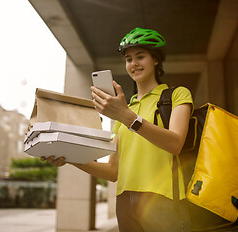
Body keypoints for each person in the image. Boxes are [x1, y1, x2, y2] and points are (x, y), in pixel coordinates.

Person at [42, 27, 193, 232]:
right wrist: (69, 157)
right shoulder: (123, 111)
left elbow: (175, 143)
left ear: (156, 60)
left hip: (163, 200)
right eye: (129, 59)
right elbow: (113, 171)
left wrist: (127, 117)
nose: (134, 63)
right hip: (125, 202)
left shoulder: (176, 95)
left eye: (141, 56)